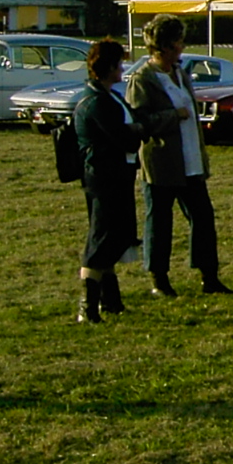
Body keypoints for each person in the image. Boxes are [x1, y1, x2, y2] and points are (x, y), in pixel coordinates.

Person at [126, 17, 231, 298]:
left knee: (203, 218)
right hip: (161, 164)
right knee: (160, 222)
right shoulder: (143, 79)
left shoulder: (180, 73)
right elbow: (139, 122)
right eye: (178, 42)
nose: (182, 47)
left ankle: (209, 276)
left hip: (191, 161)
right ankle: (159, 279)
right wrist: (173, 116)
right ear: (164, 46)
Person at [72, 38, 147, 323]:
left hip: (116, 174)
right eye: (118, 64)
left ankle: (110, 300)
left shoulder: (108, 96)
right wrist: (137, 130)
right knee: (101, 238)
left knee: (113, 236)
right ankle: (88, 306)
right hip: (104, 177)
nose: (122, 69)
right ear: (108, 67)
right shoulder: (97, 102)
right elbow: (124, 138)